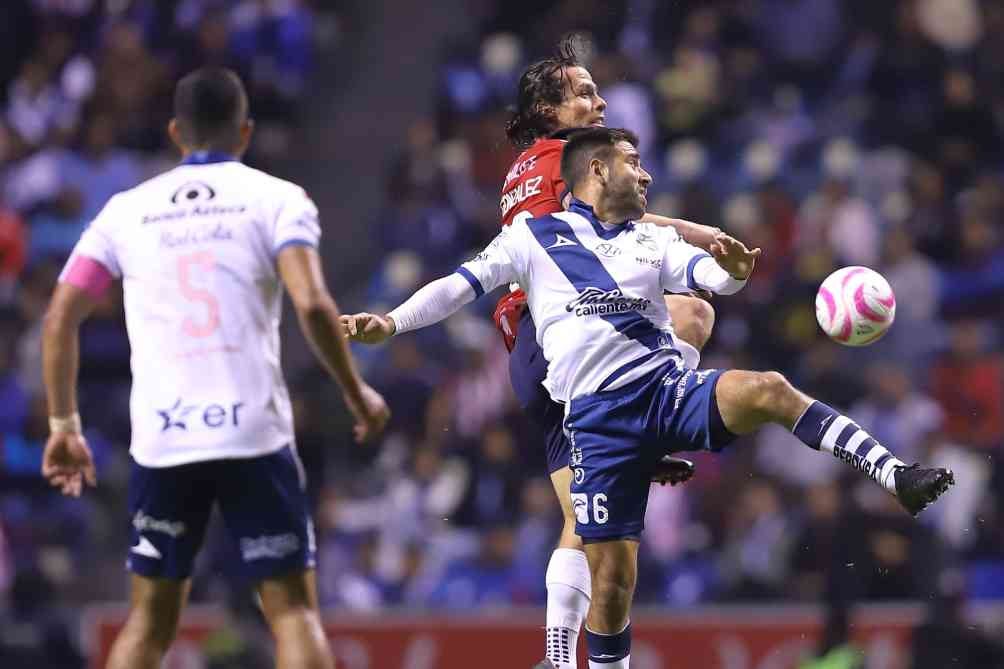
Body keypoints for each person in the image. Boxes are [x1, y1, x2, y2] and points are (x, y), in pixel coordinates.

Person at [342, 127, 955, 669]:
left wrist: (735, 269)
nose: (646, 172)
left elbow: (710, 280)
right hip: (597, 425)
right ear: (597, 170)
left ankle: (894, 473)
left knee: (766, 388)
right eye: (633, 161)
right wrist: (390, 323)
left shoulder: (649, 241)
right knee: (613, 584)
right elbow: (458, 287)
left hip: (668, 392)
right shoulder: (530, 238)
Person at [40, 67, 389, 669]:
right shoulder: (278, 199)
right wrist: (357, 393)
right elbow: (310, 302)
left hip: (165, 436)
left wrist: (64, 424)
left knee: (148, 625)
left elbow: (60, 316)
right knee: (292, 614)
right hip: (253, 431)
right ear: (246, 132)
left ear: (177, 132)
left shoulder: (126, 212)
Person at [496, 37, 723, 669]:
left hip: (531, 355)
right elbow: (621, 222)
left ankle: (557, 656)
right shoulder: (568, 158)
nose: (600, 102)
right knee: (694, 309)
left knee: (582, 516)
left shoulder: (524, 169)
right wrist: (702, 234)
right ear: (549, 109)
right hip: (567, 339)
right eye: (584, 94)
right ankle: (654, 420)